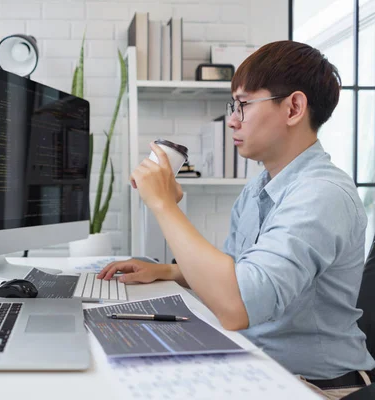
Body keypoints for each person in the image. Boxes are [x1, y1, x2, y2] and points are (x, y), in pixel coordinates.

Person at [98, 40, 375, 399]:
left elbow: (236, 306)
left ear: (293, 107)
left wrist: (165, 206)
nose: (231, 119)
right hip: (261, 366)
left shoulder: (322, 194)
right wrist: (168, 272)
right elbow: (240, 270)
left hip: (314, 387)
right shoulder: (262, 184)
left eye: (243, 105)